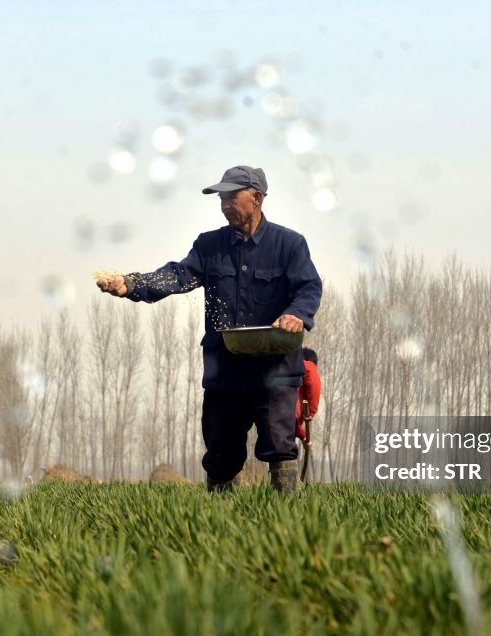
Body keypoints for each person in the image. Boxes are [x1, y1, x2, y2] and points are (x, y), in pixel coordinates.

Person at [96, 165, 322, 492]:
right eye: (222, 198)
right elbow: (178, 276)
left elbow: (308, 288)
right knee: (221, 452)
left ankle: (287, 522)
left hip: (275, 367)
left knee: (280, 443)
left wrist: (296, 314)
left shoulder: (289, 245)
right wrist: (132, 284)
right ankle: (217, 523)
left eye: (232, 196)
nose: (225, 204)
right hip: (225, 370)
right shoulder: (209, 246)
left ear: (256, 198)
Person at [296, 347, 321, 441]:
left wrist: (303, 434)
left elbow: (293, 428)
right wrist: (310, 412)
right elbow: (314, 382)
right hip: (290, 416)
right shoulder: (307, 366)